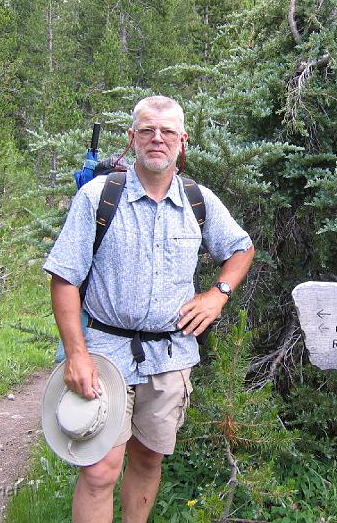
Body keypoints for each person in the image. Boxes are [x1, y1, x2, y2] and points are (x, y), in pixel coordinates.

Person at [44, 95, 254, 523]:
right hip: (105, 353)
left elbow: (241, 248)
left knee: (148, 461)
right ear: (132, 137)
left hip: (170, 357)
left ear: (182, 141)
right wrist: (77, 354)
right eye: (147, 130)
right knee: (100, 469)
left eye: (167, 132)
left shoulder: (198, 202)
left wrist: (217, 294)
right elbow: (64, 278)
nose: (157, 139)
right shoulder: (99, 198)